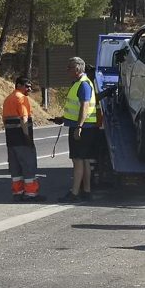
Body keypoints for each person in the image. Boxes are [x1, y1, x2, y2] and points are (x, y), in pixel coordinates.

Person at [58, 57, 98, 203]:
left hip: (82, 127)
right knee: (85, 160)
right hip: (86, 127)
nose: (67, 70)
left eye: (69, 67)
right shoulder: (82, 83)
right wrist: (63, 119)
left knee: (78, 160)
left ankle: (75, 193)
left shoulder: (83, 84)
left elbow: (84, 106)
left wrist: (79, 126)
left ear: (77, 69)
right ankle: (86, 191)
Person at [3, 76, 45, 202]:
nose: (30, 89)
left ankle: (18, 192)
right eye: (27, 86)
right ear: (19, 85)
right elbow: (24, 119)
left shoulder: (8, 99)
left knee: (15, 168)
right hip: (22, 139)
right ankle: (31, 194)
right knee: (28, 166)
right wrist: (27, 137)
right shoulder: (22, 98)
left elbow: (5, 121)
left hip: (11, 140)